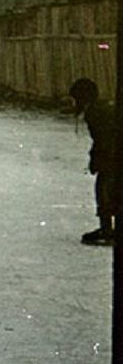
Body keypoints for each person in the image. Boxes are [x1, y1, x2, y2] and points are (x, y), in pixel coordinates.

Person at [69, 78, 118, 246]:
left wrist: (97, 160)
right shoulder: (101, 109)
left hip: (113, 158)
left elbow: (104, 140)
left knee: (105, 192)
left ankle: (107, 231)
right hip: (113, 157)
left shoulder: (95, 113)